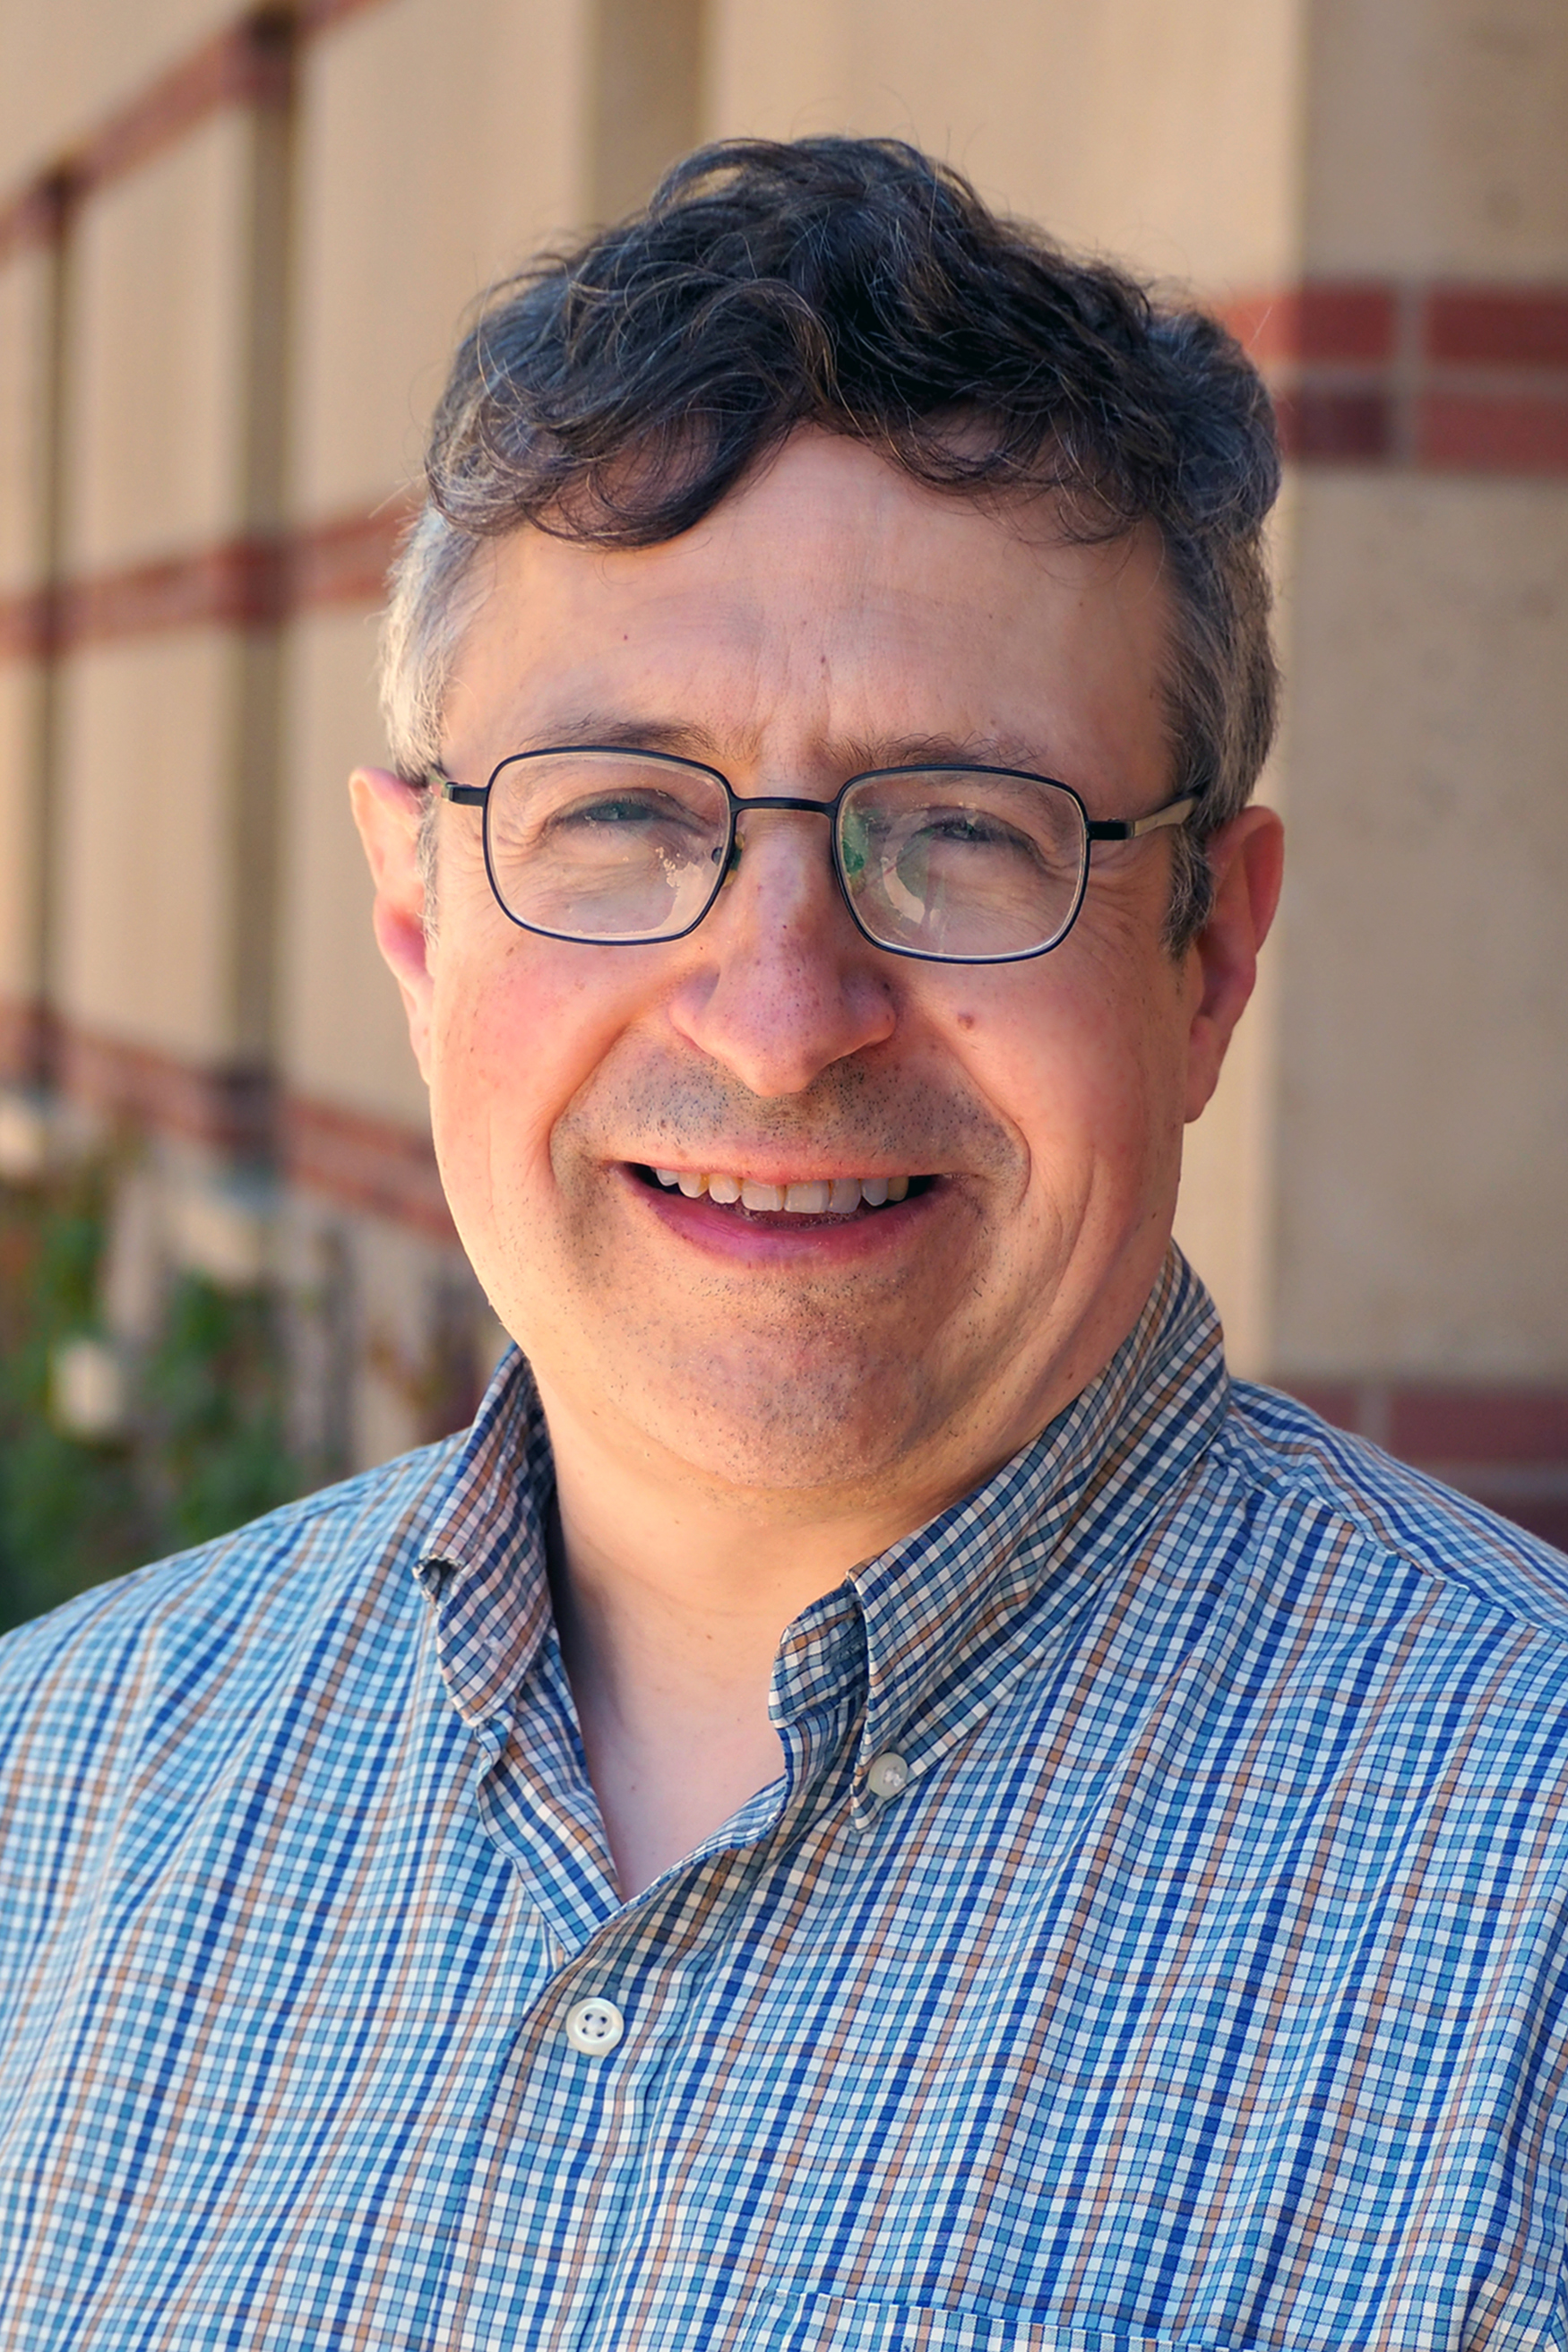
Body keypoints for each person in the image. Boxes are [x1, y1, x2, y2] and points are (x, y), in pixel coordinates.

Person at [3, 138, 1566, 2352]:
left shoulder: (1534, 1905)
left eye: (954, 833)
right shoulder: (55, 1798)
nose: (777, 1020)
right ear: (415, 915)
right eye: (623, 813)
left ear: (1206, 955)